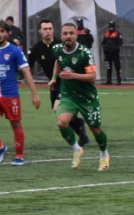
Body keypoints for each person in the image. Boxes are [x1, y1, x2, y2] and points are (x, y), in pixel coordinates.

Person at [0, 21, 42, 165]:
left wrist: (34, 93)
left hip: (11, 94)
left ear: (7, 33)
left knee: (15, 124)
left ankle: (19, 156)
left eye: (2, 31)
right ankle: (0, 146)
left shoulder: (15, 51)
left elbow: (26, 71)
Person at [51, 22, 110, 171]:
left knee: (95, 129)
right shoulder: (57, 48)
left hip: (87, 97)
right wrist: (54, 78)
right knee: (62, 122)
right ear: (61, 36)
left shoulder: (84, 53)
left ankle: (104, 154)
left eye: (71, 33)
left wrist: (73, 75)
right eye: (65, 33)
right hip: (69, 95)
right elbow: (58, 61)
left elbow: (92, 76)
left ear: (76, 35)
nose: (68, 36)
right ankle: (77, 149)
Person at [28, 19, 89, 147]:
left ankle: (79, 128)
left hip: (67, 82)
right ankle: (80, 130)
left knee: (59, 109)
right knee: (58, 112)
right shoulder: (36, 48)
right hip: (53, 83)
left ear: (53, 30)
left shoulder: (61, 45)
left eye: (50, 29)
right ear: (40, 31)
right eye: (45, 29)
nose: (48, 31)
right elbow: (27, 66)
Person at [101, 21, 123, 85]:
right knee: (108, 67)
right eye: (110, 26)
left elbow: (120, 42)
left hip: (115, 53)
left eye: (112, 26)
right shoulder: (106, 34)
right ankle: (108, 80)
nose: (111, 27)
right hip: (107, 53)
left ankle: (119, 80)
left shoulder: (117, 34)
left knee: (118, 67)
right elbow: (103, 42)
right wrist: (105, 47)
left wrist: (114, 47)